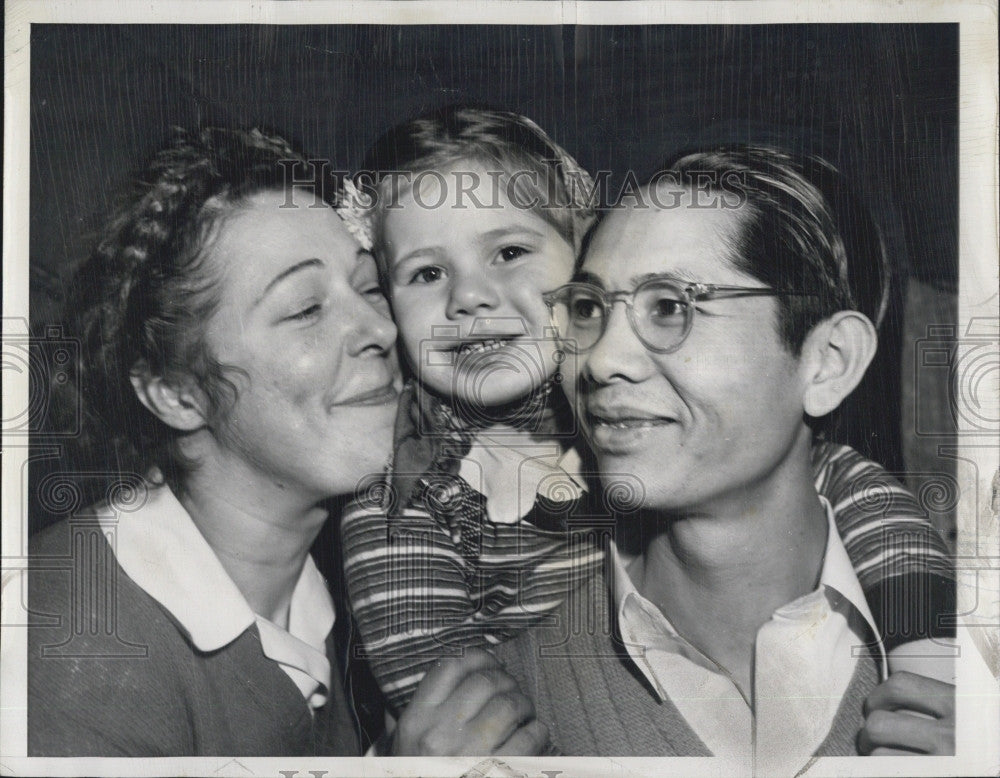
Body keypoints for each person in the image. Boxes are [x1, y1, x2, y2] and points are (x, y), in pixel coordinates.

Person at [338, 107, 955, 725]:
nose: (468, 296)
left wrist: (929, 660)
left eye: (509, 252)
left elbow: (872, 503)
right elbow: (446, 709)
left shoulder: (632, 425)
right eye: (426, 273)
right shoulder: (403, 492)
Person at [27, 126, 548, 758]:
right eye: (305, 309)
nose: (380, 329)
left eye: (369, 286)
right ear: (176, 393)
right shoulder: (64, 647)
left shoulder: (332, 595)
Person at [492, 144, 956, 765]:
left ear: (828, 362)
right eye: (588, 309)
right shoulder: (508, 701)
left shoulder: (969, 679)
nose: (601, 361)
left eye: (669, 307)